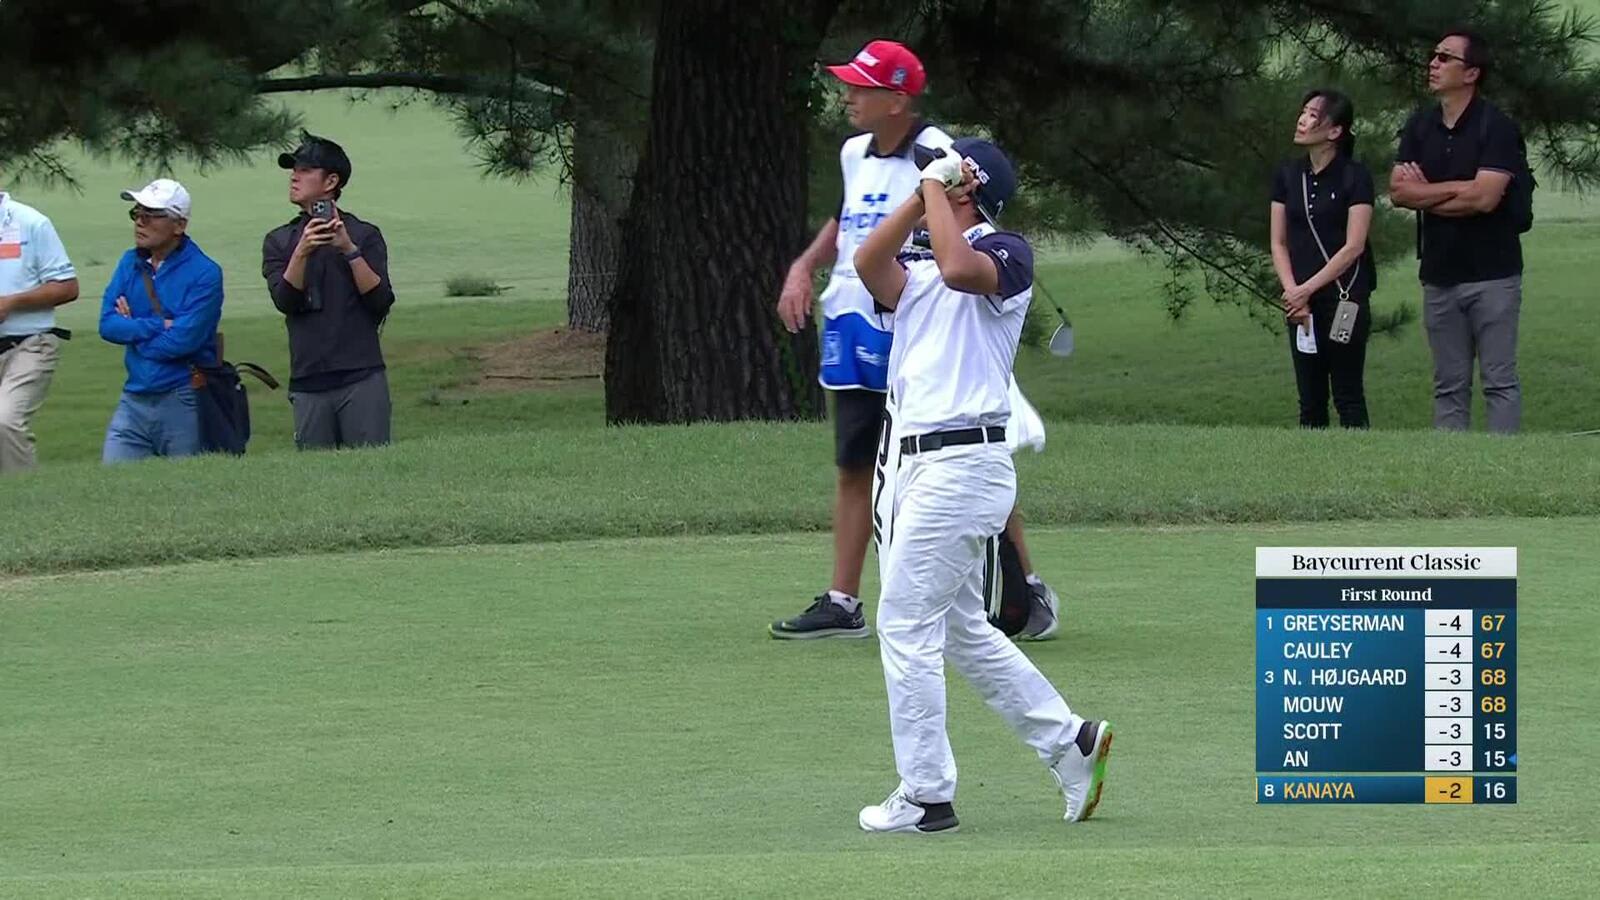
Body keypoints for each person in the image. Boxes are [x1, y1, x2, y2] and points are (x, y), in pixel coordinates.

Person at [851, 137, 1113, 833]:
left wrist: (938, 194)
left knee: (903, 623)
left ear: (969, 187)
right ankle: (1071, 743)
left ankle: (927, 794)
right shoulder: (920, 262)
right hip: (915, 466)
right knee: (962, 629)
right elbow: (867, 263)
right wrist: (920, 196)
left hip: (962, 465)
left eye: (942, 174)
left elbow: (964, 268)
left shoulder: (1006, 252)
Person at [771, 40, 1061, 641]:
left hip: (934, 326)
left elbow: (962, 258)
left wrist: (934, 183)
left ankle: (1019, 589)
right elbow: (852, 229)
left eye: (861, 85)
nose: (848, 94)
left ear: (897, 98)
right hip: (862, 317)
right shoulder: (856, 152)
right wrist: (804, 265)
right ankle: (843, 598)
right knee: (858, 459)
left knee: (956, 449)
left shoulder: (944, 155)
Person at [1390, 29, 1530, 433]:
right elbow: (1399, 192)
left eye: (1444, 58)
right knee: (1448, 385)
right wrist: (1458, 187)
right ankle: (1452, 474)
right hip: (1439, 274)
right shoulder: (1420, 125)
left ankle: (1504, 471)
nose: (1433, 64)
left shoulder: (1496, 126)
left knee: (1499, 381)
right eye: (1433, 56)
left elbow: (1485, 199)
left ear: (1471, 73)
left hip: (1494, 274)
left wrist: (1427, 192)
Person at [263, 133, 396, 450]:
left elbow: (381, 301)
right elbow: (285, 300)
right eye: (293, 170)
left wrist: (349, 249)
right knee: (318, 480)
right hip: (308, 380)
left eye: (305, 170)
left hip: (361, 376)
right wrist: (302, 252)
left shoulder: (364, 234)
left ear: (331, 181)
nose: (294, 176)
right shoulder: (279, 241)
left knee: (371, 471)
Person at [1269, 89, 1377, 428]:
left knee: (1347, 393)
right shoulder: (1288, 175)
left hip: (1344, 299)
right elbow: (1278, 241)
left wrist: (1308, 290)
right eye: (1303, 112)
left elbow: (1354, 246)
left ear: (1335, 132)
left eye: (1314, 115)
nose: (1303, 120)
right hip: (1300, 303)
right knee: (1310, 399)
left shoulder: (1354, 176)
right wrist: (1293, 293)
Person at [98, 179, 224, 463]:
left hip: (181, 397)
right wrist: (156, 326)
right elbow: (106, 325)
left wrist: (131, 328)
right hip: (133, 397)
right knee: (113, 490)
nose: (139, 222)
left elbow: (181, 343)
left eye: (151, 215)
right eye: (136, 213)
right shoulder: (129, 262)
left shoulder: (205, 273)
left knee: (184, 493)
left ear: (179, 225)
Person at [0, 187, 78, 473]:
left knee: (4, 421)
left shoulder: (31, 223)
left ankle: (26, 498)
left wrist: (12, 302)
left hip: (30, 344)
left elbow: (67, 287)